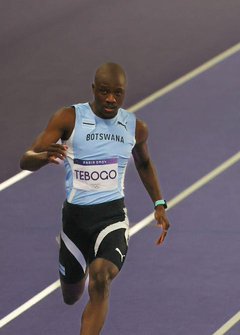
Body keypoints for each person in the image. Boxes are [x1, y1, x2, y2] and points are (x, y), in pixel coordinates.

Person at [19, 62, 171, 335]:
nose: (111, 99)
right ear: (93, 89)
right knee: (71, 296)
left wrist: (159, 204)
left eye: (117, 93)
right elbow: (26, 159)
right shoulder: (69, 118)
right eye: (104, 91)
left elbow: (145, 164)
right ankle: (71, 259)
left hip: (111, 218)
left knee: (100, 278)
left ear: (124, 93)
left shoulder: (135, 128)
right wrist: (42, 158)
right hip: (75, 222)